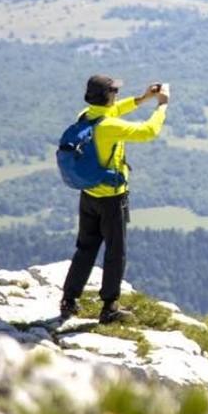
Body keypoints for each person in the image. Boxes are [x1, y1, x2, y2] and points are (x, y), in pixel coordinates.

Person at [59, 75, 170, 323]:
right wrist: (162, 105)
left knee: (85, 248)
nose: (117, 95)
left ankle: (69, 299)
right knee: (115, 251)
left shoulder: (86, 116)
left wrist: (143, 98)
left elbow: (114, 110)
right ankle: (110, 307)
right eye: (115, 91)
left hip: (88, 195)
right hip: (112, 199)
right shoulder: (109, 127)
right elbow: (148, 131)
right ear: (108, 95)